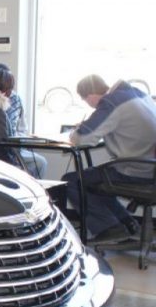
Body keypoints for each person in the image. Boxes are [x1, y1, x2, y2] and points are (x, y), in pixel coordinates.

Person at [62, 74, 156, 243]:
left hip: (136, 170)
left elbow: (81, 139)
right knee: (96, 179)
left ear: (89, 96)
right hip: (150, 168)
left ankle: (109, 228)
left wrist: (75, 131)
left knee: (72, 181)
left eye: (85, 101)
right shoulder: (138, 94)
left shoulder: (111, 103)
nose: (89, 106)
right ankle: (128, 223)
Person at [0, 63, 47, 177]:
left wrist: (21, 138)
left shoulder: (16, 99)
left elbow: (22, 127)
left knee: (40, 163)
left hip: (14, 145)